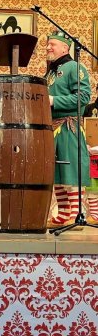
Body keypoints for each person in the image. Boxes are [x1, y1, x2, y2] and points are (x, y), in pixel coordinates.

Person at [45, 30, 91, 229]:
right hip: (52, 128)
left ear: (65, 47)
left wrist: (54, 100)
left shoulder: (75, 67)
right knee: (57, 171)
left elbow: (83, 97)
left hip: (68, 126)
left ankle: (76, 214)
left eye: (52, 44)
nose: (48, 47)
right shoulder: (51, 71)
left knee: (71, 169)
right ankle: (63, 213)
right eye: (48, 44)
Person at [83, 86, 98, 224]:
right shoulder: (89, 108)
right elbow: (82, 128)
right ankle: (95, 215)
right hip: (91, 152)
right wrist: (86, 145)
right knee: (92, 185)